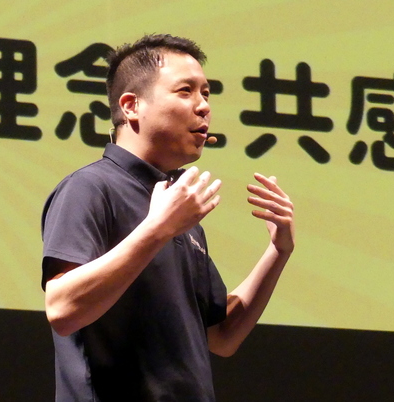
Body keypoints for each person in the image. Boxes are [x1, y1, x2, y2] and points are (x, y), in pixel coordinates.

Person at [41, 34, 295, 402]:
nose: (203, 106)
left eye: (206, 93)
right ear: (131, 106)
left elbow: (222, 337)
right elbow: (62, 308)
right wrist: (157, 230)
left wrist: (278, 251)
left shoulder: (177, 210)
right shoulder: (90, 188)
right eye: (185, 91)